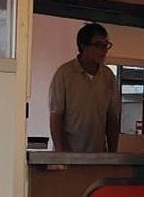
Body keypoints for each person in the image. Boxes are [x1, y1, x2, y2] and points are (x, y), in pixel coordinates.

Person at [49, 23, 121, 153]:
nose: (104, 50)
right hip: (69, 154)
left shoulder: (108, 76)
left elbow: (112, 118)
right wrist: (60, 154)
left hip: (98, 155)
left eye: (106, 45)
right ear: (83, 46)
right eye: (99, 45)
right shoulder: (65, 73)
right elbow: (56, 116)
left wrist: (112, 154)